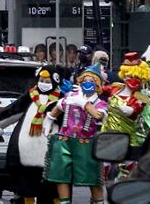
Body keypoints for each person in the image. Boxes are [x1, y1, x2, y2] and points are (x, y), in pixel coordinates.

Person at [0, 67, 62, 204]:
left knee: (53, 188)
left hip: (51, 152)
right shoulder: (30, 96)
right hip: (27, 152)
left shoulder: (61, 100)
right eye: (41, 80)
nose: (44, 83)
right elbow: (11, 112)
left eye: (47, 80)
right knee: (27, 185)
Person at [46, 66, 107, 204]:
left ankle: (98, 201)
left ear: (97, 84)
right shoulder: (70, 97)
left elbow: (98, 115)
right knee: (61, 176)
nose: (87, 83)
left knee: (92, 177)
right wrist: (49, 119)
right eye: (84, 80)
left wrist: (84, 104)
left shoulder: (99, 103)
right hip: (64, 140)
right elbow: (59, 107)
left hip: (86, 143)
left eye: (91, 81)